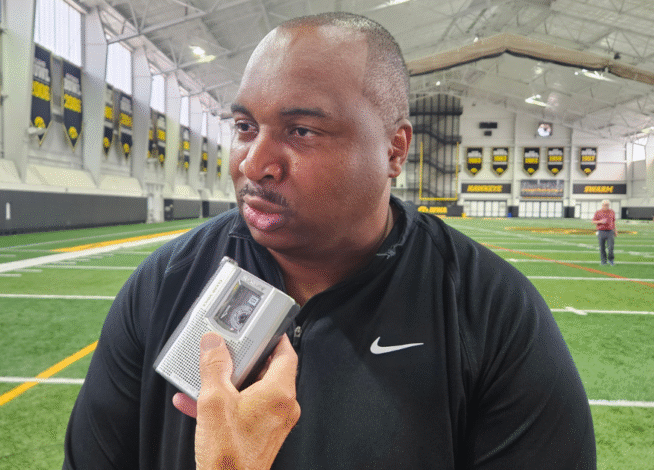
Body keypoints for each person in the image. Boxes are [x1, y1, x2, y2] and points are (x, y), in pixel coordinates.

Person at [63, 12, 596, 469]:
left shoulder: (489, 311)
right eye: (245, 127)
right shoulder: (166, 284)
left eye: (301, 131)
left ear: (394, 150)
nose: (254, 163)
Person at [592, 200, 617, 266]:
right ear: (602, 205)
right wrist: (600, 221)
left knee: (611, 247)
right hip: (601, 231)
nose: (606, 206)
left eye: (607, 205)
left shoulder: (612, 212)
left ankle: (611, 260)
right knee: (602, 248)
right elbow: (593, 221)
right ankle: (603, 261)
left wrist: (615, 231)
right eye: (605, 205)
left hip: (610, 231)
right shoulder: (598, 212)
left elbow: (613, 222)